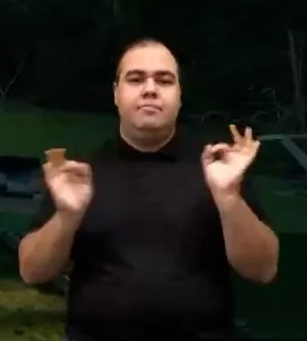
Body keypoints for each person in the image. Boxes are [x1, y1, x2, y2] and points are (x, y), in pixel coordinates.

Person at [18, 38, 281, 340]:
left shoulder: (220, 170)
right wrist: (66, 216)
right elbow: (32, 271)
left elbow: (263, 269)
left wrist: (229, 199)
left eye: (164, 80)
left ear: (179, 96)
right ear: (116, 94)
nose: (150, 89)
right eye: (136, 78)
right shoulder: (80, 174)